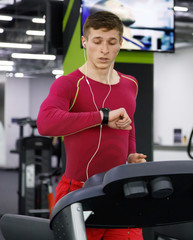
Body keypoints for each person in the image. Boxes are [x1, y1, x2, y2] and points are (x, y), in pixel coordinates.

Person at [37, 11, 146, 240]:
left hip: (120, 190)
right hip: (78, 191)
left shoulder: (130, 84)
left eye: (111, 42)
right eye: (97, 42)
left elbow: (130, 125)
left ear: (120, 44)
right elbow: (46, 123)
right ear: (85, 42)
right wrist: (103, 117)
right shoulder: (68, 84)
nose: (104, 50)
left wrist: (129, 156)